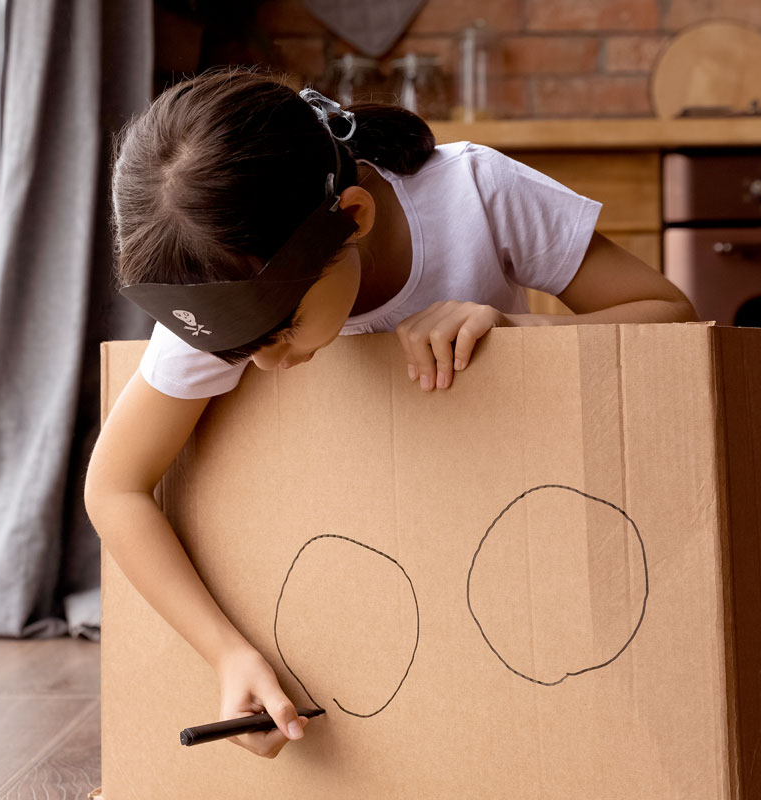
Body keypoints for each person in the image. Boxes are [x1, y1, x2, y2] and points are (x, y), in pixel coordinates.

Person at [84, 66, 697, 759]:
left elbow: (673, 315)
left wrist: (522, 332)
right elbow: (115, 487)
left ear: (354, 217)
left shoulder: (476, 194)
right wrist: (226, 653)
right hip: (354, 632)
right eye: (239, 348)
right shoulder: (226, 296)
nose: (264, 364)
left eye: (282, 330)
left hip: (518, 567)